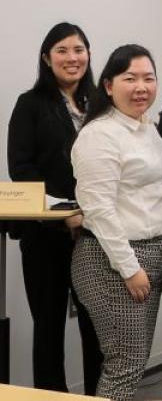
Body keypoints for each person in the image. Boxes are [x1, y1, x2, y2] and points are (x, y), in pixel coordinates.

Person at [70, 44, 162, 401]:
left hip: (150, 253)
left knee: (132, 362)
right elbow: (98, 208)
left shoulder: (147, 127)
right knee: (124, 365)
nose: (141, 87)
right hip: (112, 260)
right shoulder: (99, 134)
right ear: (109, 85)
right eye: (130, 78)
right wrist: (129, 268)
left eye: (149, 78)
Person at [7, 22, 102, 394]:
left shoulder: (102, 104)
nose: (72, 57)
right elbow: (22, 170)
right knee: (48, 329)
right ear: (47, 58)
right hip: (46, 235)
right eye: (62, 50)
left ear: (88, 54)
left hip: (96, 235)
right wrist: (66, 215)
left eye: (78, 49)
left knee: (96, 328)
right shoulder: (30, 104)